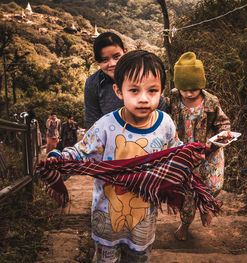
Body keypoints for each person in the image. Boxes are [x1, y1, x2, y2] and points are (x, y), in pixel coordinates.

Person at [49, 50, 181, 262]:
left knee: (138, 257)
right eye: (134, 90)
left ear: (162, 91)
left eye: (152, 90)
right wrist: (59, 157)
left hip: (144, 216)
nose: (144, 99)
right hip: (108, 216)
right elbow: (81, 151)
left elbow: (176, 151)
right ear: (119, 91)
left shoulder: (165, 123)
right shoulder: (106, 126)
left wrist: (194, 155)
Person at [167, 51, 232, 241]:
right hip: (185, 155)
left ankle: (205, 207)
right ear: (177, 86)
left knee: (213, 186)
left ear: (201, 84)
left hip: (209, 153)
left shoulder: (211, 102)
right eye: (184, 88)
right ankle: (185, 224)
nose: (188, 93)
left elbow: (223, 124)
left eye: (193, 88)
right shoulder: (172, 99)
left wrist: (221, 136)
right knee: (187, 192)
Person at [84, 31, 166, 129]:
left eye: (116, 57)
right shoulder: (93, 83)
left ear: (125, 51)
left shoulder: (142, 73)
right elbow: (92, 120)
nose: (112, 63)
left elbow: (159, 108)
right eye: (105, 60)